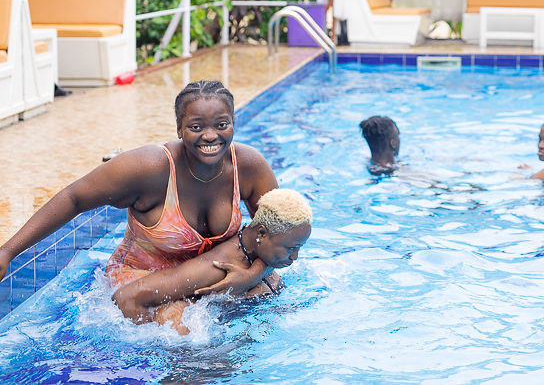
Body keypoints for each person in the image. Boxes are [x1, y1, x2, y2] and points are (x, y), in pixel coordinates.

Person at [0, 80, 279, 292]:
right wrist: (7, 252)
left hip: (206, 275)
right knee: (178, 324)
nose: (210, 136)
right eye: (196, 127)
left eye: (221, 125)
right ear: (179, 129)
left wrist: (253, 273)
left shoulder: (248, 166)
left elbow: (282, 234)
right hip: (143, 280)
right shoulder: (149, 168)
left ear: (233, 124)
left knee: (268, 288)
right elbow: (74, 198)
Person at [112, 188, 312, 334]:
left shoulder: (259, 253)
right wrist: (150, 343)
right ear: (261, 233)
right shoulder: (216, 268)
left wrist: (253, 276)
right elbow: (126, 297)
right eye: (291, 248)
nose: (295, 257)